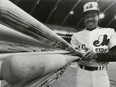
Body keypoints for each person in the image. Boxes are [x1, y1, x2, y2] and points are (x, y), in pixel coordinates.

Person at [71, 2, 116, 87]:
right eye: (87, 16)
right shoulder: (76, 36)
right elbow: (71, 57)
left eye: (93, 15)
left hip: (101, 75)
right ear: (84, 18)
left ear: (98, 16)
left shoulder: (109, 31)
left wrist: (96, 55)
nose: (90, 19)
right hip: (82, 74)